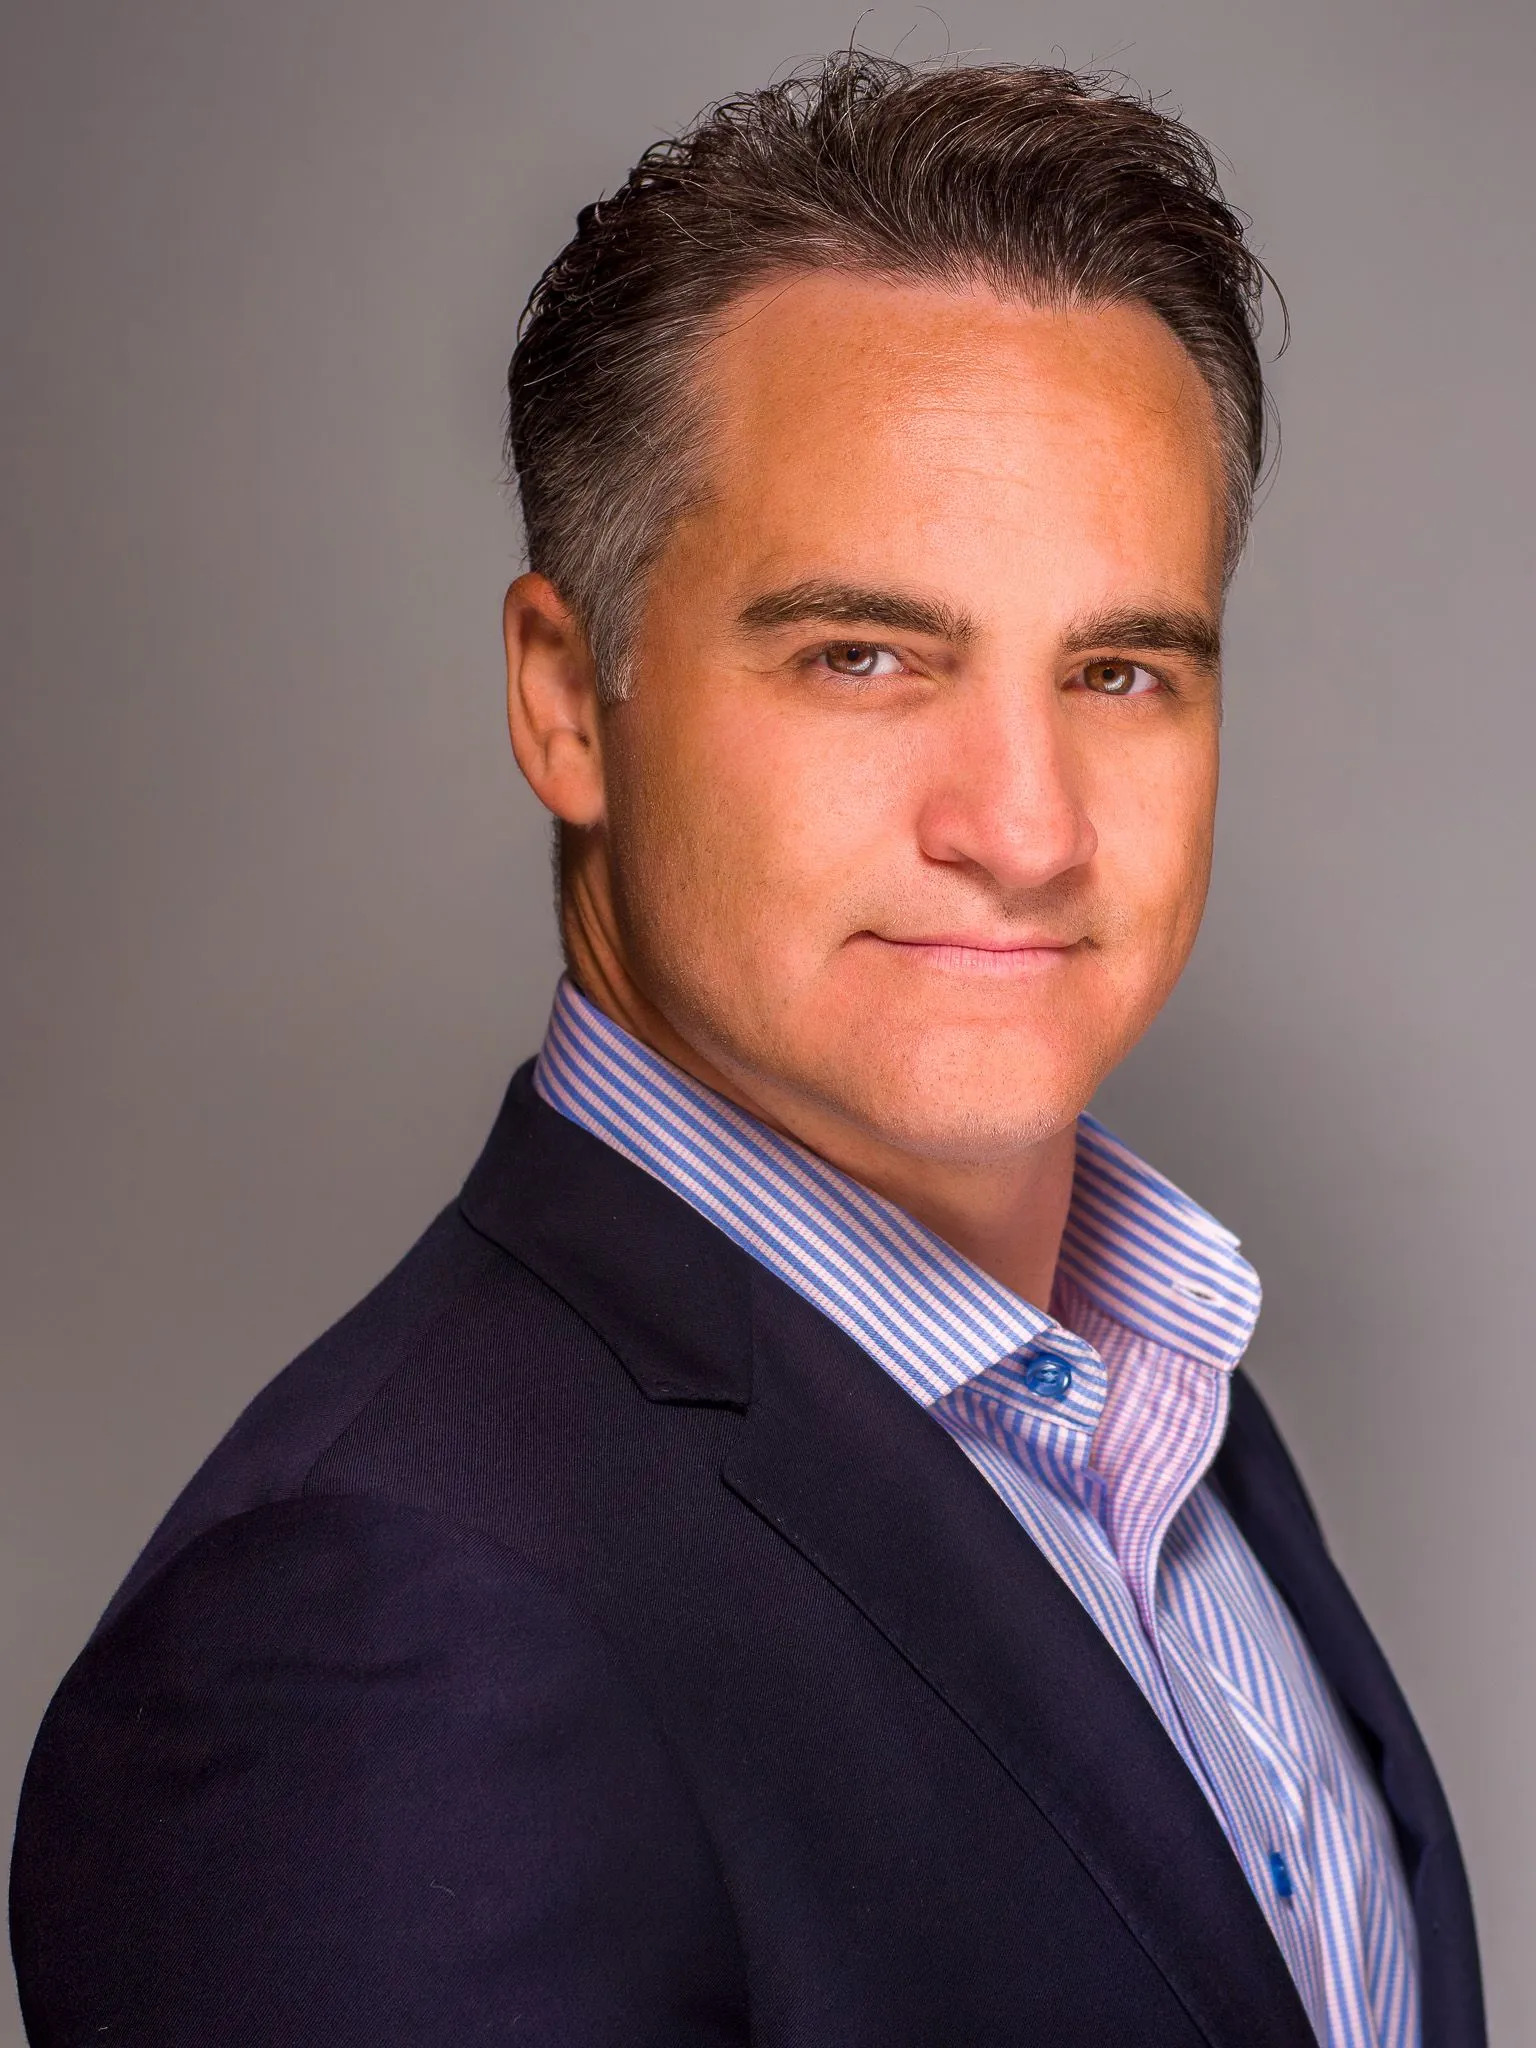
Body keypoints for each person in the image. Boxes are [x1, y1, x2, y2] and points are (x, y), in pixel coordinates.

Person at [9, 52, 1483, 2048]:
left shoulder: (1163, 1426)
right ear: (563, 696)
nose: (1028, 826)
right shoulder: (369, 1641)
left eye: (1121, 670)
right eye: (865, 658)